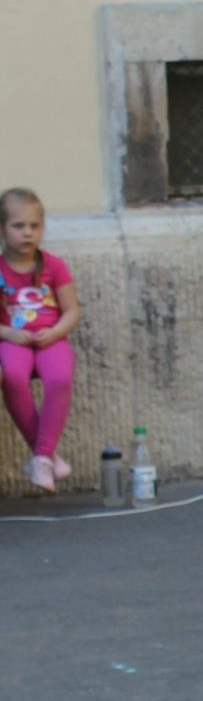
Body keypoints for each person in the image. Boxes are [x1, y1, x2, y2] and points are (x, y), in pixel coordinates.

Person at [0, 188, 80, 491]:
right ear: (2, 229)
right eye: (18, 226)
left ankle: (41, 457)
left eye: (34, 226)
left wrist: (57, 331)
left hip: (51, 339)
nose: (27, 233)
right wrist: (7, 333)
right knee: (12, 376)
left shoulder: (54, 266)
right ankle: (45, 457)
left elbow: (72, 311)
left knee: (60, 377)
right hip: (14, 340)